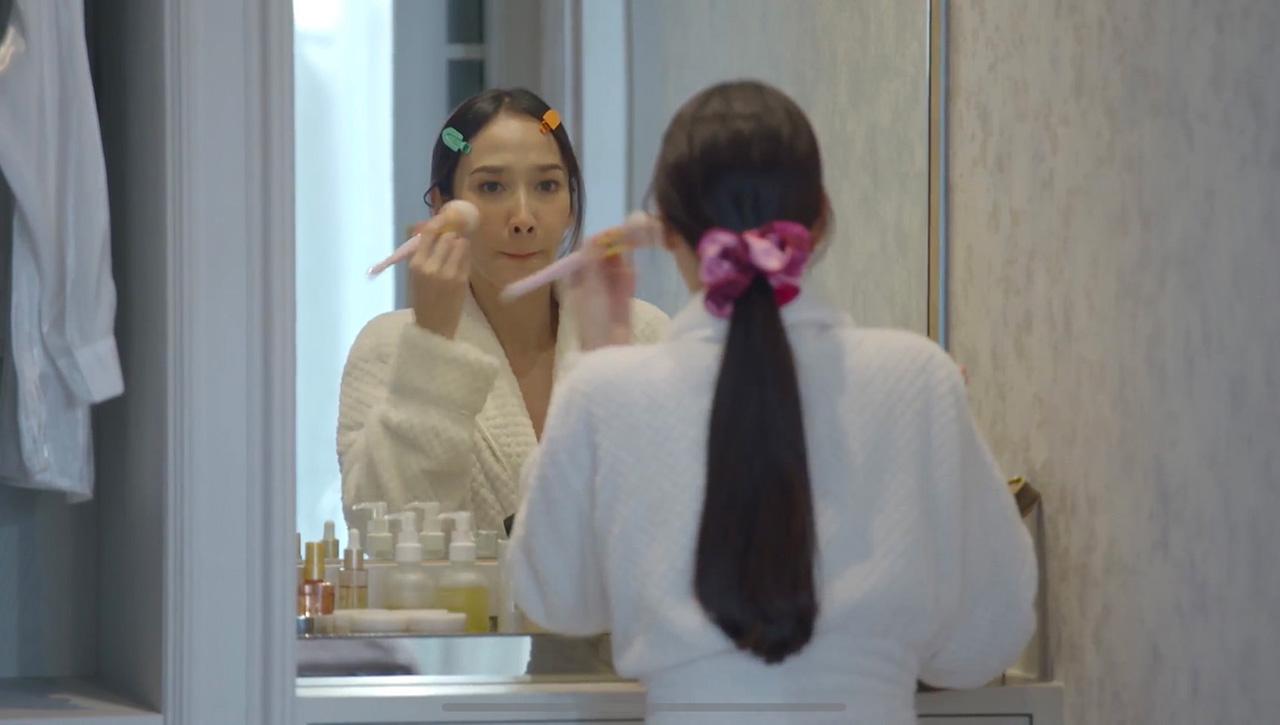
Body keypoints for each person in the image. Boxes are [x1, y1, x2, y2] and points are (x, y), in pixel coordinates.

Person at [506, 80, 1036, 723]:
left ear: (667, 229)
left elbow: (556, 599)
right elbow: (985, 641)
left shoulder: (606, 390)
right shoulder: (918, 378)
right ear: (820, 218)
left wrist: (597, 356)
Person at [338, 88, 668, 533]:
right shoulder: (387, 348)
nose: (523, 218)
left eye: (547, 186)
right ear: (441, 207)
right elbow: (385, 531)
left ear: (571, 206)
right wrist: (432, 345)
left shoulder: (643, 335)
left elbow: (680, 511)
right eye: (491, 187)